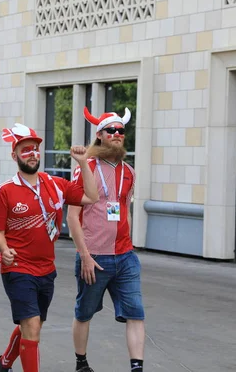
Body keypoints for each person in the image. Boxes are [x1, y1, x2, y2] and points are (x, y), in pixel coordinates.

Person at [0, 123, 99, 372]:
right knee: (33, 325)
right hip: (17, 267)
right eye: (26, 150)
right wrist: (3, 249)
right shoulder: (4, 191)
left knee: (32, 325)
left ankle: (5, 361)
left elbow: (91, 197)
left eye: (36, 149)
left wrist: (83, 163)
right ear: (14, 155)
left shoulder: (56, 184)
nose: (32, 154)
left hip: (46, 269)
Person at [67, 108, 145, 372]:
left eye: (120, 131)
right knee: (84, 313)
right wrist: (84, 255)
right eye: (111, 131)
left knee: (136, 312)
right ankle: (81, 363)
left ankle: (137, 367)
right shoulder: (86, 167)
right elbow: (72, 216)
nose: (117, 135)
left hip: (125, 256)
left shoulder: (130, 171)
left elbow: (126, 210)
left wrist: (130, 245)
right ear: (99, 135)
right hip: (95, 257)